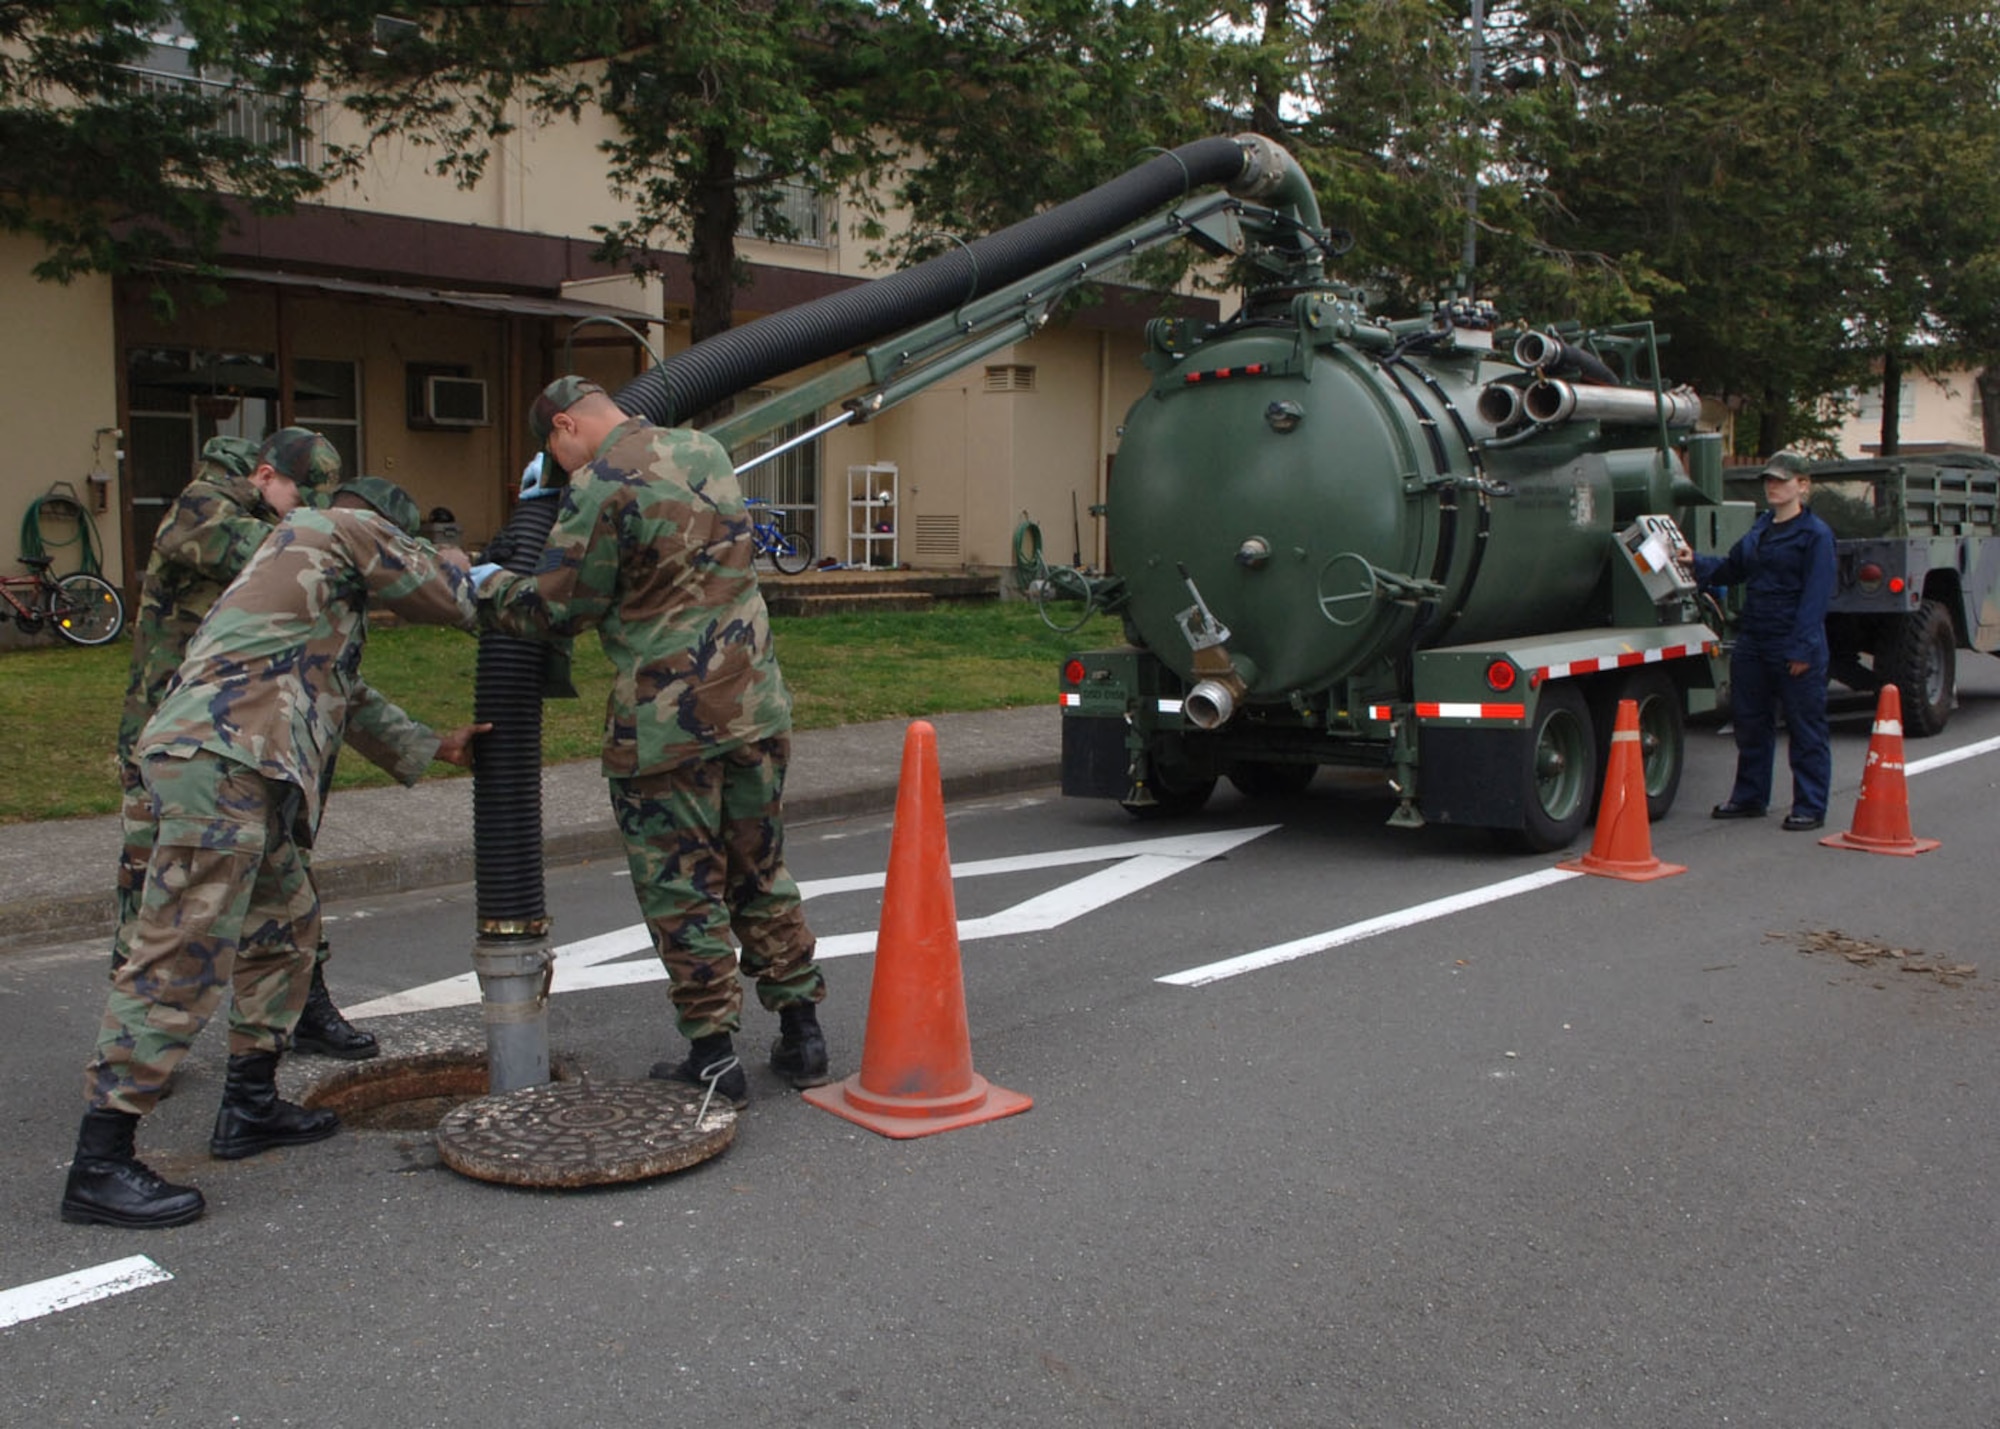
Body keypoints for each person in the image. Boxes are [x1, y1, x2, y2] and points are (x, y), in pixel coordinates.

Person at [62, 477, 485, 1229]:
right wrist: (462, 558)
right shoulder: (338, 527)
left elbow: (343, 692)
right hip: (218, 762)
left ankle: (250, 1104)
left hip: (232, 763)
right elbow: (449, 595)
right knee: (182, 952)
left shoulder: (301, 577)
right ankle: (100, 1162)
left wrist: (434, 745)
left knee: (287, 926)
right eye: (402, 538)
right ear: (382, 525)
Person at [472, 376, 828, 1109]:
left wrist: (485, 583)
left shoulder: (599, 482)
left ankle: (713, 1057)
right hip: (756, 705)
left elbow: (561, 605)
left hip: (670, 726)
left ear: (566, 427)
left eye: (555, 448)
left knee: (683, 887)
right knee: (759, 869)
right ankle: (803, 1033)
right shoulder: (706, 449)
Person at [112, 427, 417, 1060]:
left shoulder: (277, 526)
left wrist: (416, 745)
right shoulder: (204, 507)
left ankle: (302, 1008)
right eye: (302, 497)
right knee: (159, 897)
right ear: (262, 475)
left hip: (256, 738)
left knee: (287, 882)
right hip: (185, 741)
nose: (309, 514)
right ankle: (132, 1061)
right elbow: (287, 550)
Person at [1696, 451, 1838, 831]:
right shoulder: (1761, 527)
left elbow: (1816, 596)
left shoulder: (1816, 536)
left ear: (1803, 486)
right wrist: (1693, 561)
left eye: (1781, 480)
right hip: (1755, 638)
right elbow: (1733, 568)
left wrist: (1802, 649)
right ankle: (1749, 796)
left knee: (1805, 726)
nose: (1773, 487)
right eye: (1769, 481)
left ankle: (1809, 804)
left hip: (1793, 639)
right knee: (1750, 722)